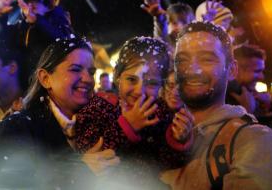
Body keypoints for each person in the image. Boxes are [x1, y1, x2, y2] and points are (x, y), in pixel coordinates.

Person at [0, 36, 120, 189]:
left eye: (91, 72)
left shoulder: (95, 123)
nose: (88, 79)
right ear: (45, 78)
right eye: (75, 69)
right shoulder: (16, 128)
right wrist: (76, 172)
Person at [160, 21, 272, 189]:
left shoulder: (257, 142)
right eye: (182, 60)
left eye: (207, 59)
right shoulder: (156, 130)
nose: (192, 69)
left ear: (231, 70)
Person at [75, 36, 194, 189]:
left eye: (151, 83)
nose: (140, 91)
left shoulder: (160, 112)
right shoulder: (99, 107)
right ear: (118, 77)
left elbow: (167, 163)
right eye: (132, 79)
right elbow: (90, 155)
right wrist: (127, 126)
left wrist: (178, 140)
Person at [0, 0, 74, 87]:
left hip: (49, 85)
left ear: (49, 5)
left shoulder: (60, 23)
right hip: (23, 86)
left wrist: (38, 21)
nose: (29, 7)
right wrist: (0, 16)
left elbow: (63, 43)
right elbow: (0, 41)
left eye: (34, 5)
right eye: (26, 3)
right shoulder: (22, 26)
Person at [227, 44, 271, 116]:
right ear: (235, 69)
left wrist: (264, 107)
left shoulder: (248, 94)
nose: (262, 77)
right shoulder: (222, 100)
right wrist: (247, 112)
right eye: (257, 71)